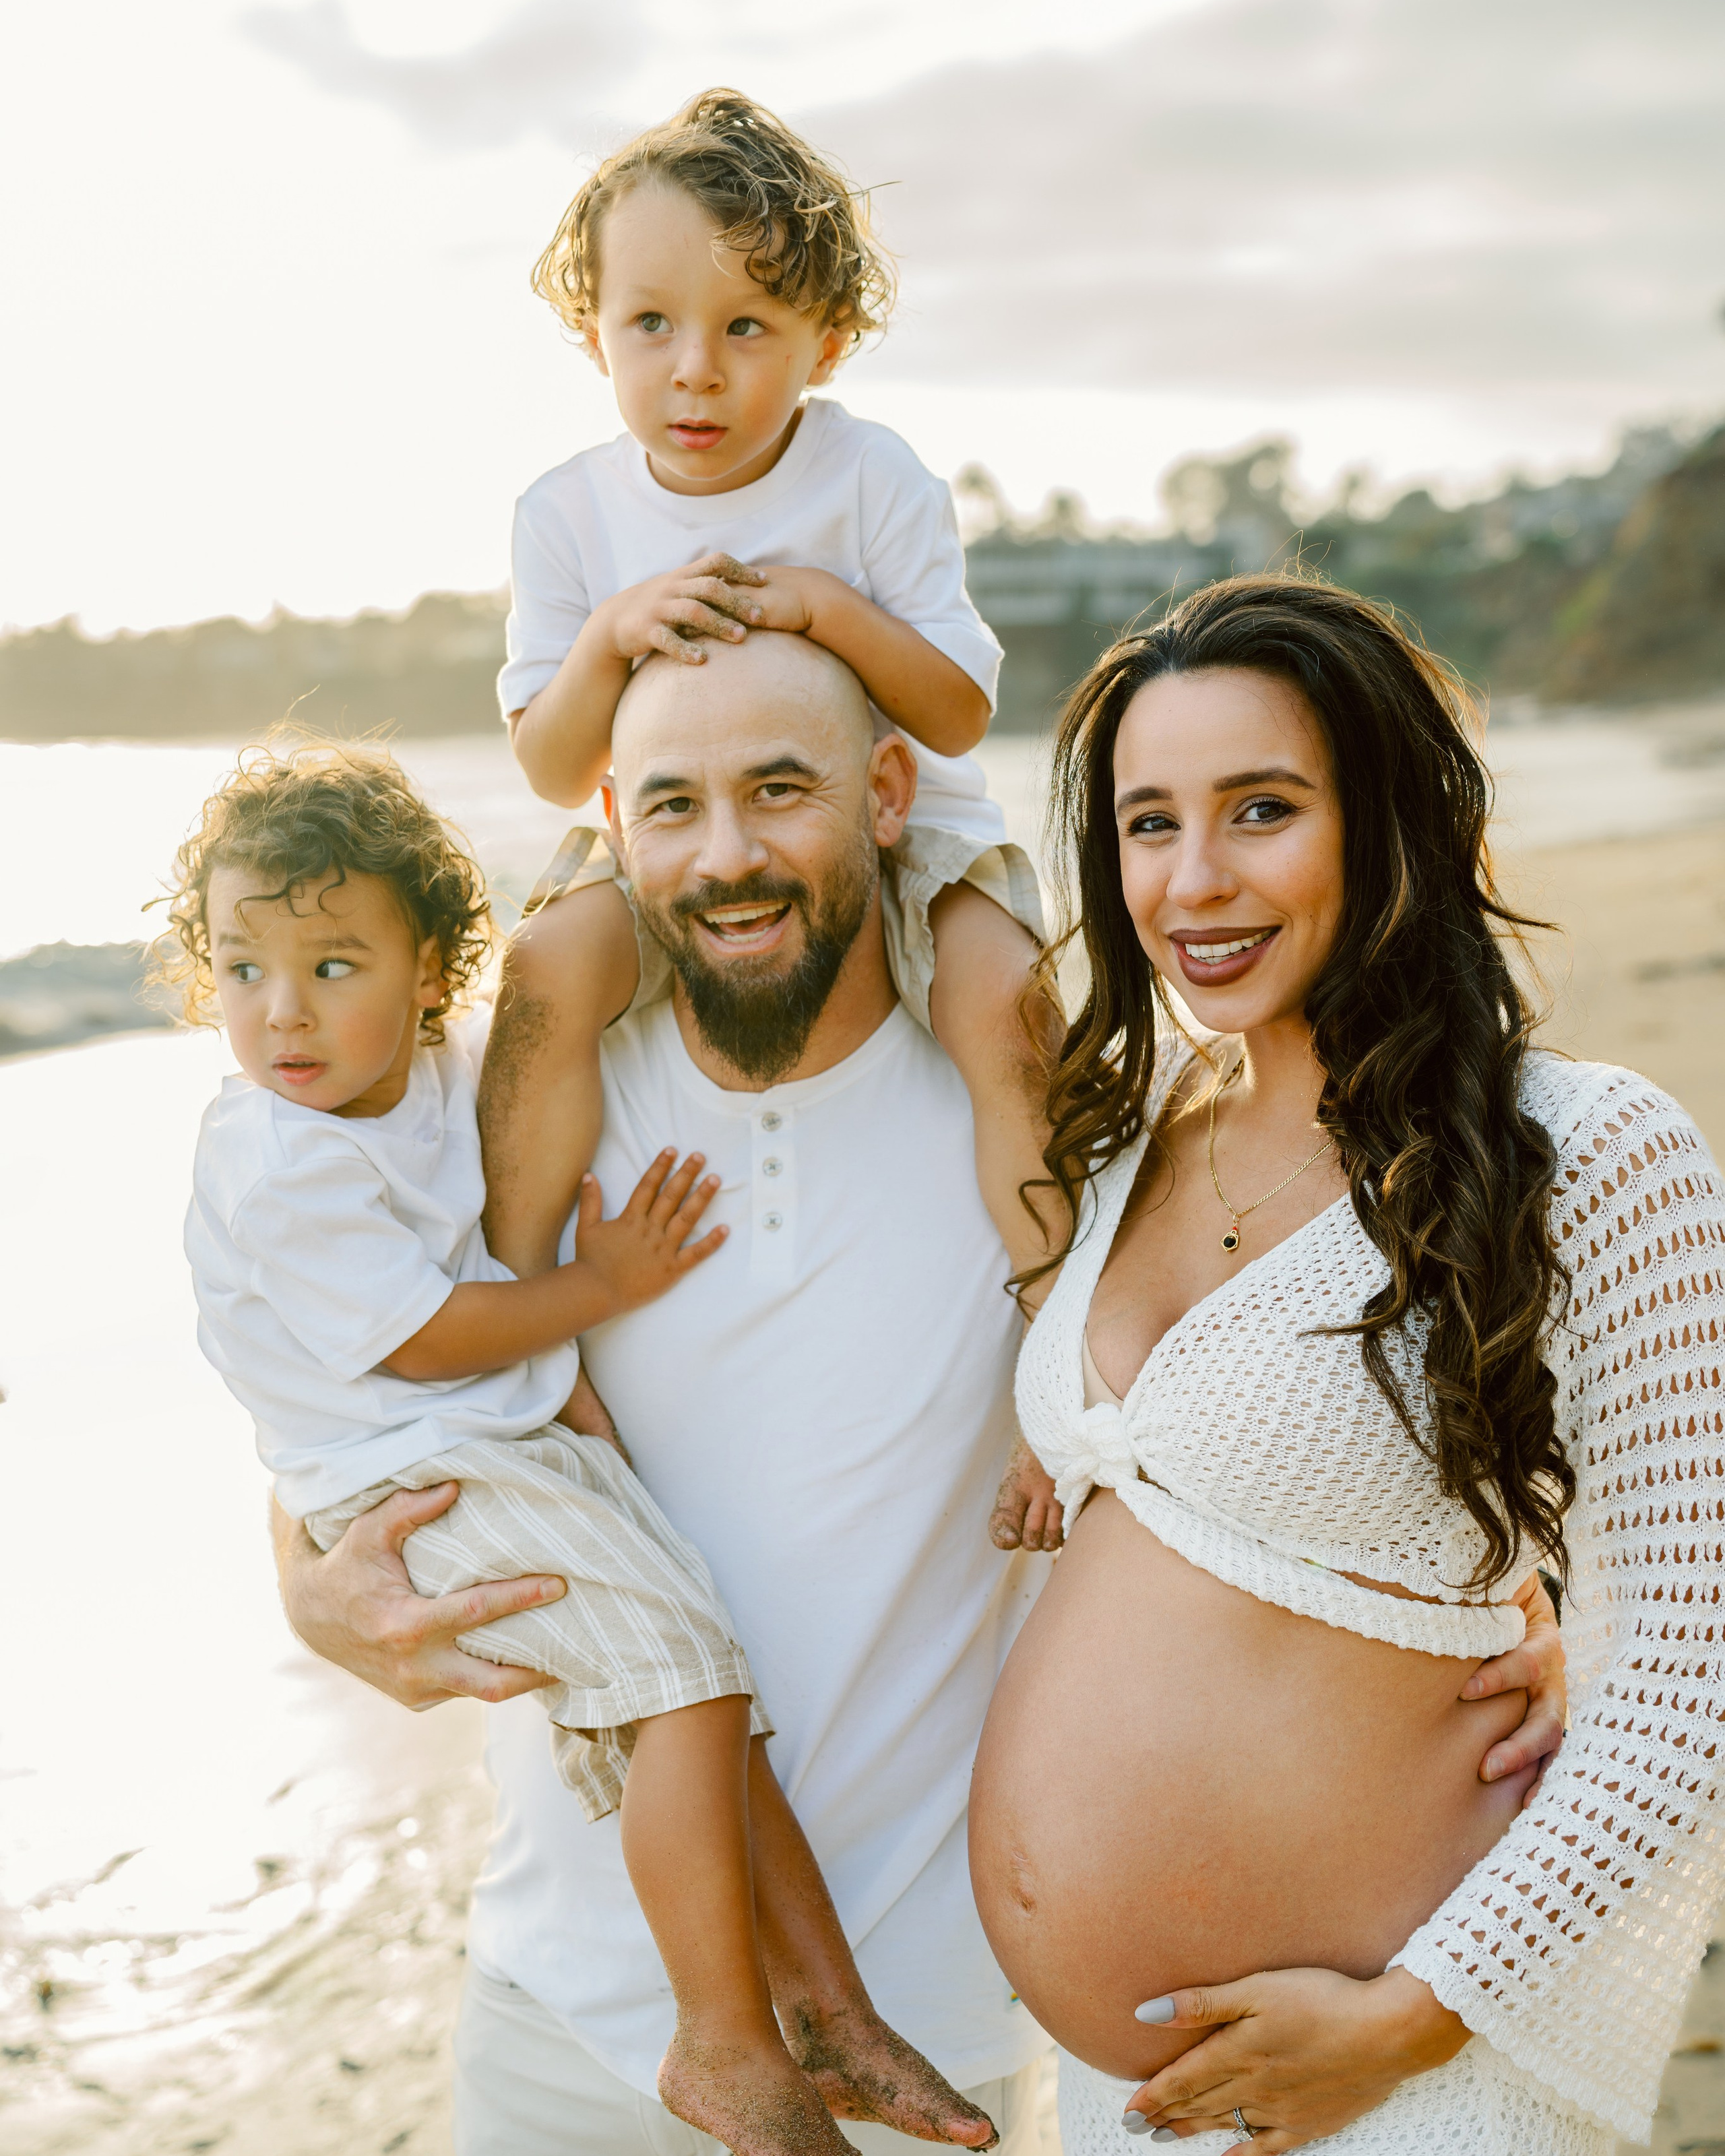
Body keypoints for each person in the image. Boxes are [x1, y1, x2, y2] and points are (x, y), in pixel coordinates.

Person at [272, 631, 1563, 2156]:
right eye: (673, 804)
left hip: (921, 2022)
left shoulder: (1073, 1132)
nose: (728, 856)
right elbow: (330, 1376)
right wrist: (310, 1587)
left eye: (782, 789)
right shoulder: (504, 1107)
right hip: (552, 1991)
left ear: (888, 793)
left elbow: (1285, 1419)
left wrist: (1519, 1623)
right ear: (613, 823)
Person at [970, 574, 1724, 2153]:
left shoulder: (1585, 1149)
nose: (1193, 879)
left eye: (1260, 809)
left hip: (1405, 2080)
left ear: (1383, 820)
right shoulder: (1126, 1136)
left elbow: (1690, 1666)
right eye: (1147, 823)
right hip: (1134, 2101)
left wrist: (1413, 2015)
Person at [170, 742, 999, 2156]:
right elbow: (418, 1343)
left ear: (430, 974)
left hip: (484, 1449)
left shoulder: (460, 1073)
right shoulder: (283, 1151)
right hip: (419, 1478)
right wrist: (597, 1289)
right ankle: (726, 2037)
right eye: (242, 971)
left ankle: (829, 2014)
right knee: (687, 1678)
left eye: (331, 965)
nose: (282, 1011)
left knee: (706, 1699)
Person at [486, 86, 1053, 1338]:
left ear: (827, 344)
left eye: (746, 325)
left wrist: (825, 609)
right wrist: (609, 637)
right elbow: (551, 766)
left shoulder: (872, 477)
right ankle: (521, 1304)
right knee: (542, 972)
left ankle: (1059, 1312)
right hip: (672, 846)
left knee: (1007, 1001)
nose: (695, 367)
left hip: (905, 834)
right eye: (650, 324)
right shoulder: (567, 516)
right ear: (593, 333)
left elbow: (957, 714)